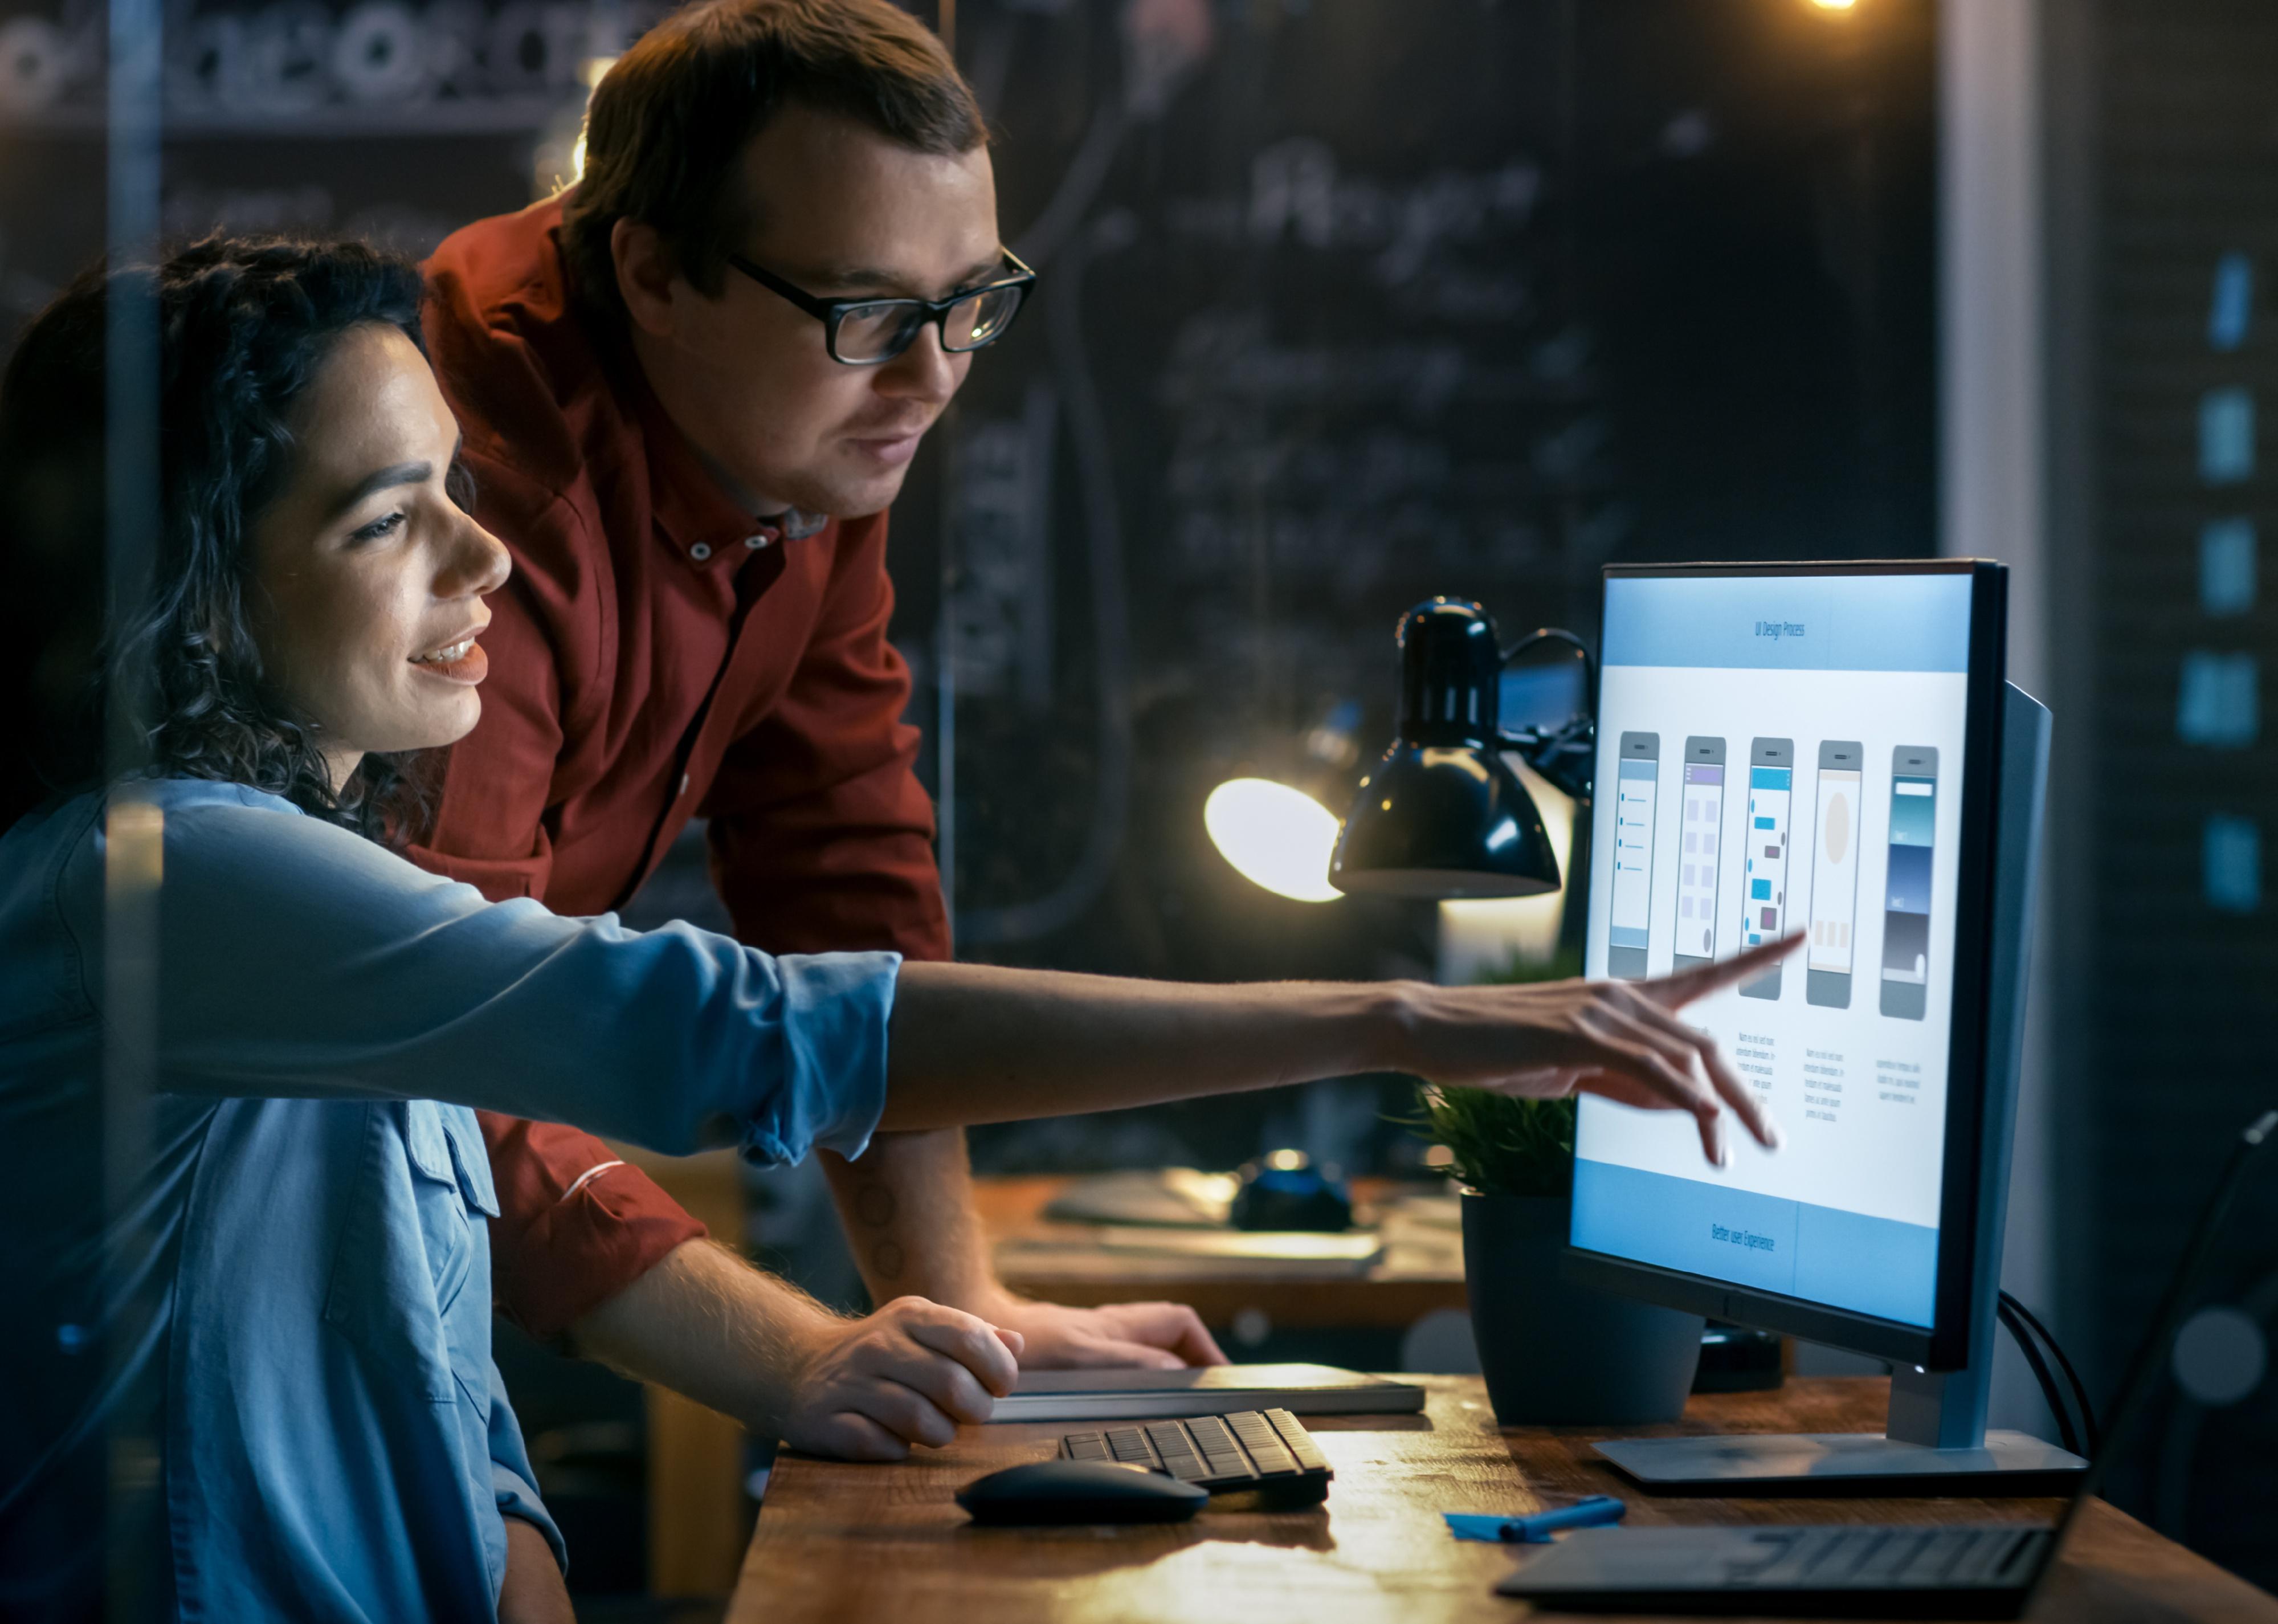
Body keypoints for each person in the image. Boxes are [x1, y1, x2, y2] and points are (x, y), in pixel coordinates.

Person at [0, 237, 1791, 1621]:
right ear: (197, 589)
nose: (485, 562)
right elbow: (757, 1030)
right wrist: (1396, 1019)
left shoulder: (303, 898)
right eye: (396, 519)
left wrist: (504, 1530)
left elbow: (412, 1342)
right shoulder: (166, 876)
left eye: (463, 489)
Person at [414, 0, 1225, 1417]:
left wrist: (961, 1297)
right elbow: (434, 1045)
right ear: (656, 273)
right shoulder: (484, 495)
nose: (931, 381)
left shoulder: (797, 419)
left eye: (971, 301)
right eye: (869, 313)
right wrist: (791, 1357)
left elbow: (843, 864)